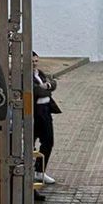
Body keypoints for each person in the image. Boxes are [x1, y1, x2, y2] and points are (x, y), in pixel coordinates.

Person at [32, 53, 59, 187]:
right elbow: (36, 91)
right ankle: (30, 170)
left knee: (48, 141)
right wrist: (46, 88)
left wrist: (47, 86)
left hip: (45, 111)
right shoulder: (23, 76)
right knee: (30, 142)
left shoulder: (40, 73)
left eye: (36, 60)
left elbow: (53, 83)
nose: (34, 63)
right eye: (32, 60)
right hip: (33, 112)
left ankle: (40, 170)